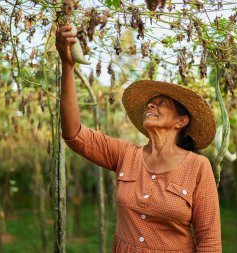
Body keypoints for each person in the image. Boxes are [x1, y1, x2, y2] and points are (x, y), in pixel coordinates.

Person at [56, 24, 222, 253]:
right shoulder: (126, 155)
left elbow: (209, 241)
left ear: (181, 121)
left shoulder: (198, 167)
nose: (151, 104)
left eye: (162, 103)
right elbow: (74, 134)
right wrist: (68, 66)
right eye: (150, 103)